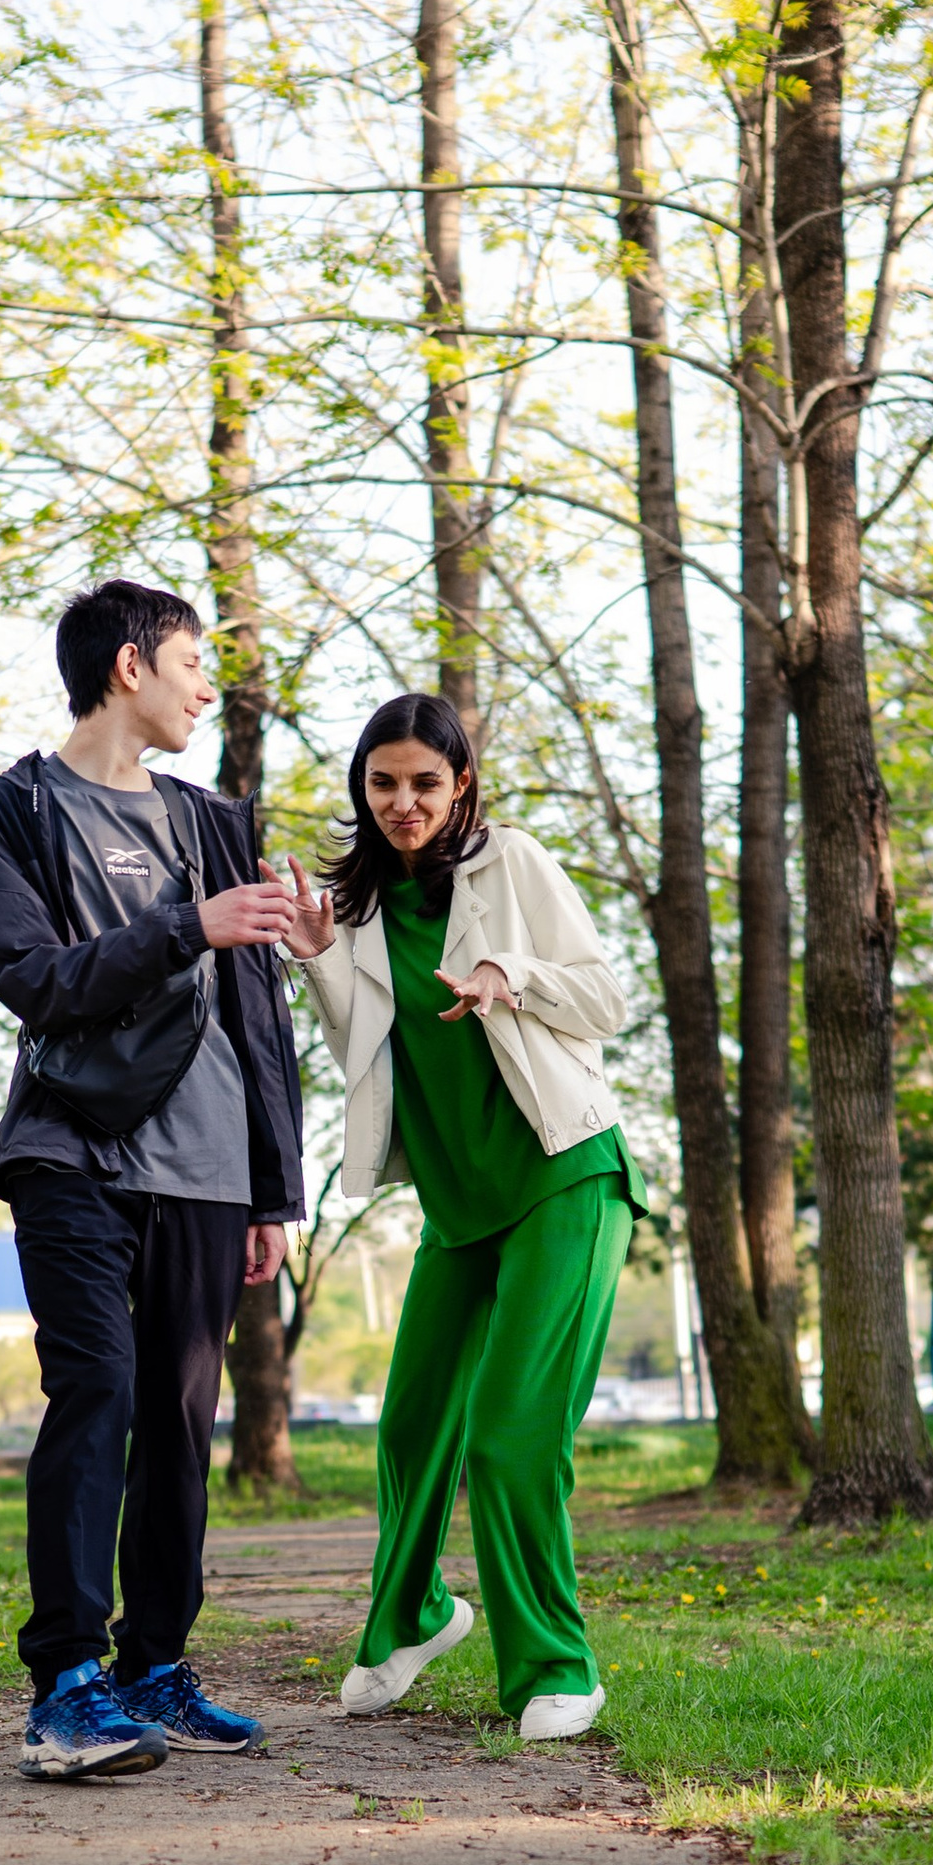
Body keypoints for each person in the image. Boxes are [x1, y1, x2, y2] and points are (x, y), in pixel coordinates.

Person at [0, 578, 329, 1779]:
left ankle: (153, 1665)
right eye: (189, 662)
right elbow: (32, 979)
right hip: (69, 1146)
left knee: (178, 1421)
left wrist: (274, 1182)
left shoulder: (215, 820)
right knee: (99, 1390)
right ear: (128, 667)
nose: (202, 685)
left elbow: (257, 1009)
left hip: (212, 1173)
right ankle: (65, 1682)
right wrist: (186, 928)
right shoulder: (8, 810)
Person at [292, 690, 649, 1742]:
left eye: (424, 783)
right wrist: (314, 957)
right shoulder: (353, 903)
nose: (403, 803)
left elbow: (606, 995)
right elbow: (366, 1046)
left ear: (460, 788)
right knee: (409, 1426)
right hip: (459, 1202)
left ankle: (557, 1662)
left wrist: (512, 972)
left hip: (561, 1177)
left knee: (507, 1438)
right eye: (383, 782)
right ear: (363, 787)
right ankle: (414, 1618)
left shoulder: (511, 864)